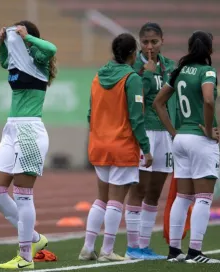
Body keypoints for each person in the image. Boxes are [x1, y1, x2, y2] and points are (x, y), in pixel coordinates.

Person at [0, 20, 57, 270]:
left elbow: (51, 48)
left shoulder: (38, 59)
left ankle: (26, 257)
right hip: (11, 129)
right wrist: (3, 44)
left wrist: (27, 37)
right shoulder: (17, 61)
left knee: (23, 196)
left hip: (30, 130)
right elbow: (5, 62)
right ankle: (36, 239)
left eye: (16, 33)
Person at [79, 33, 152, 262]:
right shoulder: (132, 79)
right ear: (132, 54)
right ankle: (107, 250)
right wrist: (146, 148)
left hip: (99, 144)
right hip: (121, 146)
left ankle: (87, 247)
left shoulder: (97, 77)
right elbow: (136, 118)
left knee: (100, 199)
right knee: (116, 201)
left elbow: (90, 114)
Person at [153, 30, 220, 264]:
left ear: (190, 48)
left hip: (180, 139)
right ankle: (195, 252)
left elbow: (157, 103)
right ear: (209, 50)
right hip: (200, 140)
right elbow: (209, 99)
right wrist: (209, 129)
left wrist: (174, 133)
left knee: (183, 196)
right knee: (203, 197)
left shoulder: (178, 71)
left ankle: (174, 251)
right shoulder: (207, 71)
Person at [124, 22, 176, 260]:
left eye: (154, 42)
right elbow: (137, 99)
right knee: (139, 188)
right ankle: (132, 246)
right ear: (139, 43)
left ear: (162, 41)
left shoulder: (171, 67)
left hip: (165, 134)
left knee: (155, 191)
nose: (150, 47)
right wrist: (149, 72)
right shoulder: (134, 67)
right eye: (145, 42)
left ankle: (144, 246)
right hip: (144, 132)